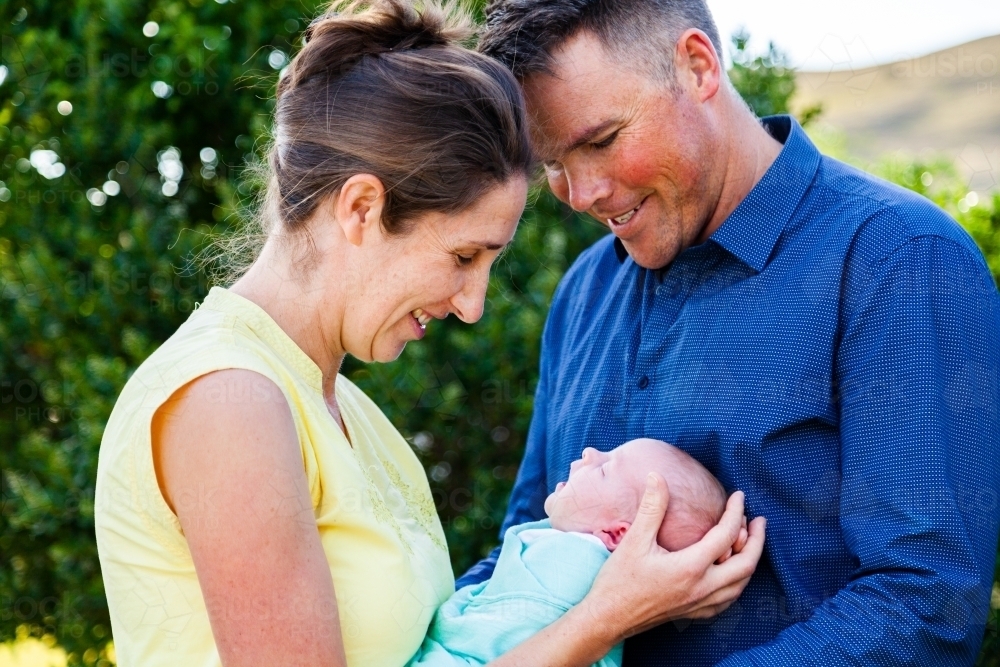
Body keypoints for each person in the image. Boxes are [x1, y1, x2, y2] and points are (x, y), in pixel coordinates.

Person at [94, 1, 765, 665]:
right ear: (361, 207)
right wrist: (605, 615)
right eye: (462, 257)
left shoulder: (347, 409)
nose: (473, 306)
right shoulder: (229, 400)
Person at [460, 1, 1000, 665]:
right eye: (553, 162)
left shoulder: (900, 260)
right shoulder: (583, 291)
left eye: (600, 141)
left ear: (697, 65)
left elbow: (926, 607)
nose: (583, 192)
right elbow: (527, 543)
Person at [411, 439, 741, 667]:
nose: (589, 453)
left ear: (617, 533)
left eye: (603, 470)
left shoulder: (570, 572)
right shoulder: (557, 540)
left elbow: (490, 637)